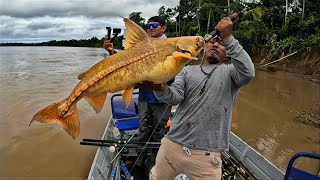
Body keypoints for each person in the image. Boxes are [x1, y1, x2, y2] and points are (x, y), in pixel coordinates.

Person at [144, 16, 255, 179]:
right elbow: (174, 97)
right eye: (212, 42)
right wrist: (159, 87)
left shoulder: (232, 73)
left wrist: (229, 38)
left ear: (228, 53)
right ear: (203, 47)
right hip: (172, 146)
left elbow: (248, 73)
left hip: (207, 156)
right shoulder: (186, 70)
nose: (216, 44)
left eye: (221, 44)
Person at [103, 16, 173, 141]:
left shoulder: (172, 46)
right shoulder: (143, 46)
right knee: (143, 128)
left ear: (164, 28)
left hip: (162, 100)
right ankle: (142, 157)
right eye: (148, 26)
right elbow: (127, 63)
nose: (151, 28)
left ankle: (155, 157)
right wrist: (112, 52)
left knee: (159, 130)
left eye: (155, 25)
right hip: (144, 97)